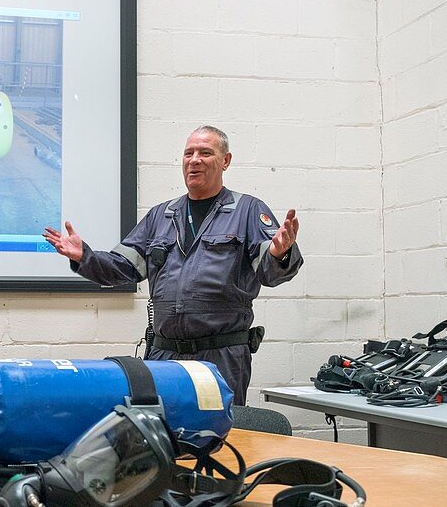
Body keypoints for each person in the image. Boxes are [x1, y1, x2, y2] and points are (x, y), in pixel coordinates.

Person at [43, 126, 303, 405]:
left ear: (225, 161)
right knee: (164, 433)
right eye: (188, 153)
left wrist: (281, 254)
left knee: (219, 438)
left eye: (205, 153)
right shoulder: (161, 216)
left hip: (220, 357)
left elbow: (270, 272)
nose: (194, 160)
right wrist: (84, 257)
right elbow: (123, 268)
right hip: (164, 356)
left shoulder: (247, 210)